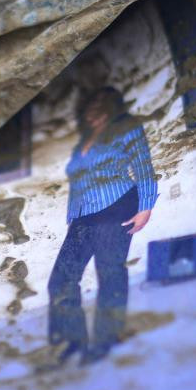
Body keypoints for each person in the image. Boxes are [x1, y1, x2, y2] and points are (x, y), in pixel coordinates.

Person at [47, 86, 156, 363]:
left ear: (110, 106)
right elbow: (77, 182)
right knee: (61, 279)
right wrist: (73, 216)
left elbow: (143, 165)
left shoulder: (126, 127)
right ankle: (74, 339)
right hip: (83, 215)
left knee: (110, 272)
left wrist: (146, 207)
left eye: (98, 104)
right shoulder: (83, 141)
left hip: (117, 205)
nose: (92, 111)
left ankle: (107, 338)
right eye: (89, 106)